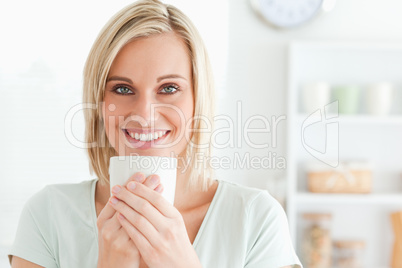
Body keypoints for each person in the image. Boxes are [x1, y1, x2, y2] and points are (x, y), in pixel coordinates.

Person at [8, 0, 302, 267]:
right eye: (122, 89)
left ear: (198, 99)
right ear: (99, 102)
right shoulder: (47, 215)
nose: (144, 114)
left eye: (169, 88)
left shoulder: (256, 219)